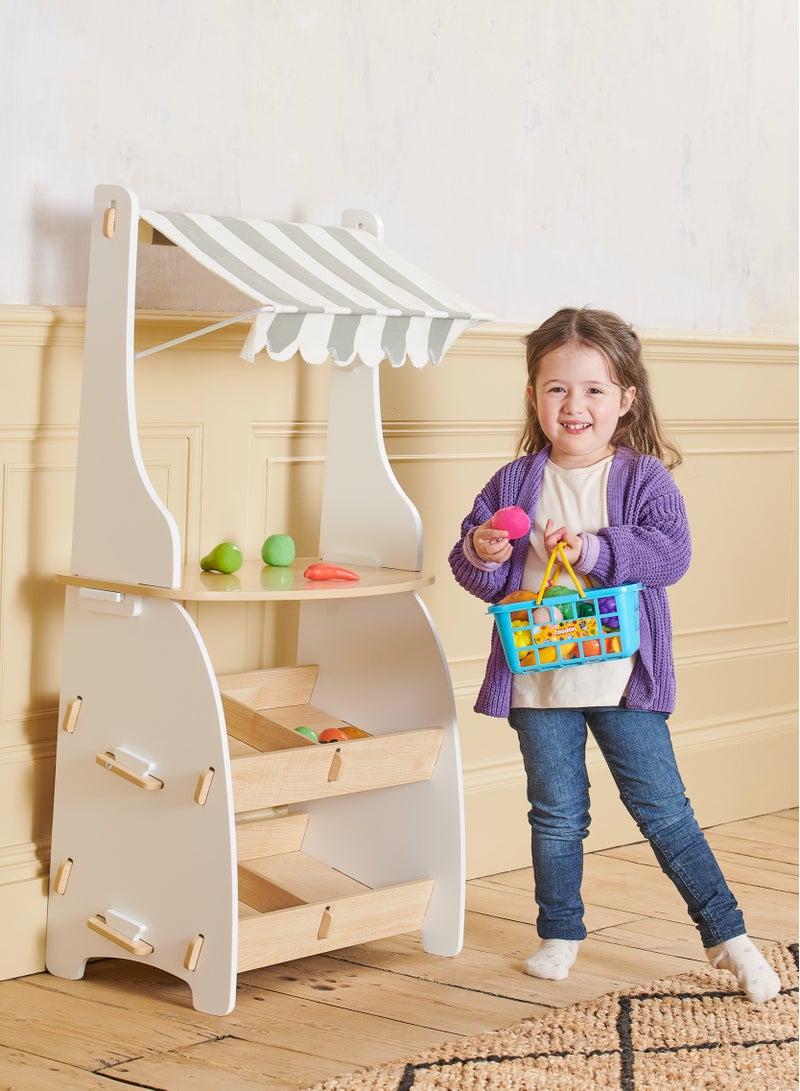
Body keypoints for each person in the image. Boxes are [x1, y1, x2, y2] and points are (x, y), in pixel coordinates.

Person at [448, 307, 780, 1004]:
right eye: (557, 388)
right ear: (534, 397)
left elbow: (671, 555)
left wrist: (597, 549)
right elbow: (472, 563)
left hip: (623, 676)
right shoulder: (513, 483)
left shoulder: (643, 480)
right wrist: (483, 550)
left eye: (594, 389)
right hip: (539, 679)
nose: (575, 405)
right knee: (556, 811)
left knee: (664, 808)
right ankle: (560, 930)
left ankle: (728, 934)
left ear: (626, 398)